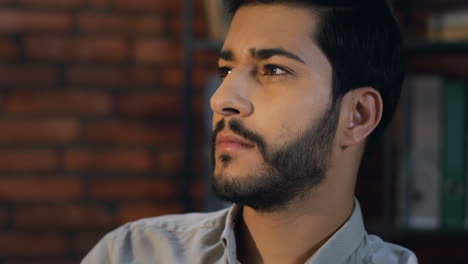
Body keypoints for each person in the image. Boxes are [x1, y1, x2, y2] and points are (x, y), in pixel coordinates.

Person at [83, 0, 418, 263]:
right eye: (226, 70)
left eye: (272, 69)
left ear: (357, 116)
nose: (221, 99)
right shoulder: (131, 254)